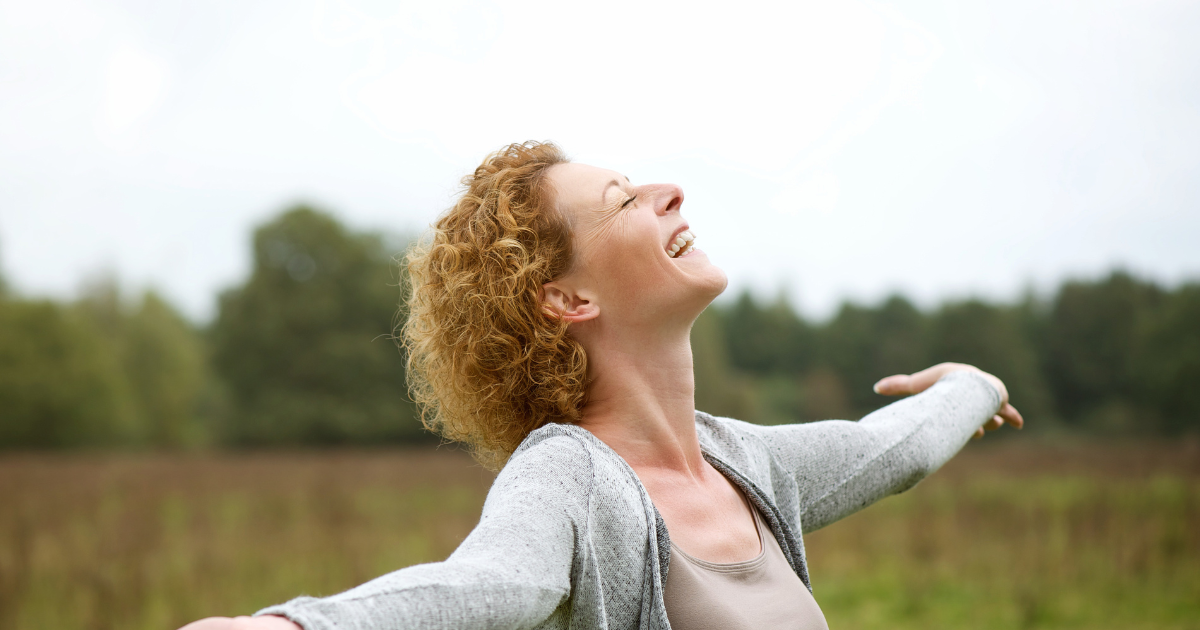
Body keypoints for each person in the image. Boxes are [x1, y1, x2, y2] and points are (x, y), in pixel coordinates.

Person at [181, 141, 1023, 630]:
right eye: (625, 199)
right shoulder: (569, 476)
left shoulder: (747, 463)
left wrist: (974, 383)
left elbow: (895, 445)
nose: (669, 192)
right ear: (567, 298)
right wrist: (293, 627)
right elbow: (495, 583)